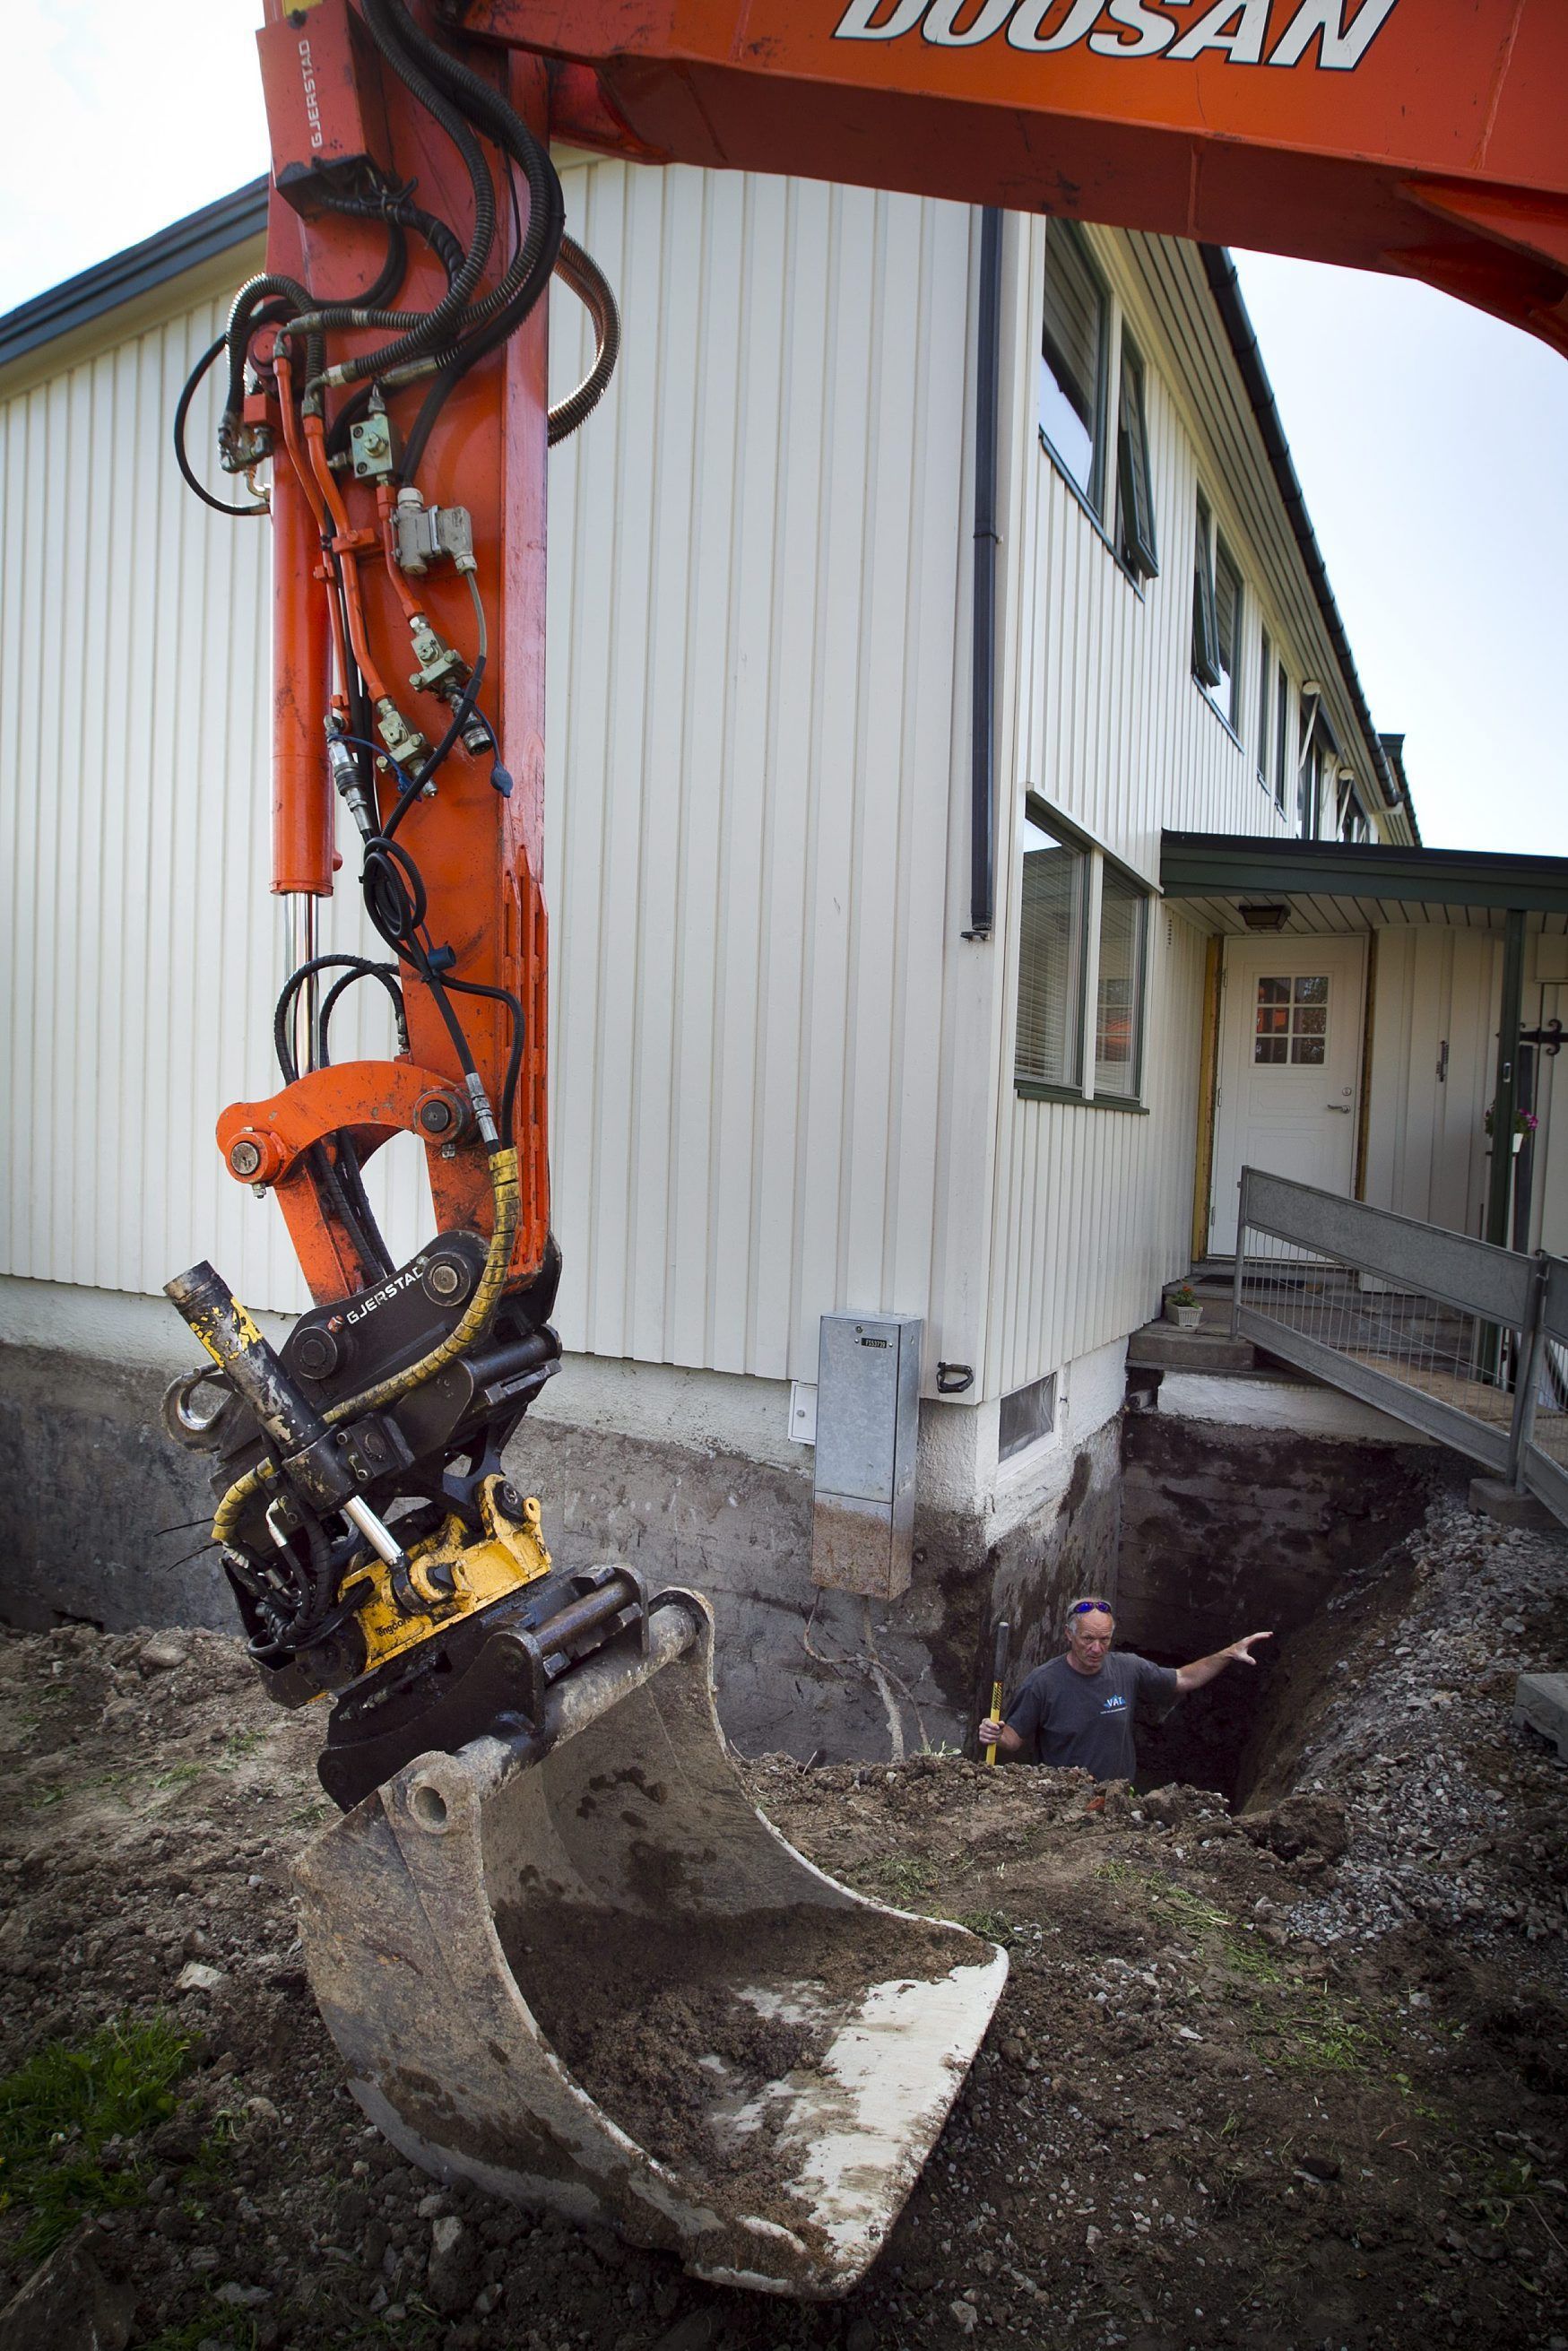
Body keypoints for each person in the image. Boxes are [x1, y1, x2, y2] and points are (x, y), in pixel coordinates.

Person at [976, 1596, 1272, 1784]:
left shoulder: (1127, 1668)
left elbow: (1183, 1678)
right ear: (1069, 1635)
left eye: (1105, 1639)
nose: (1096, 1648)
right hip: (1062, 1805)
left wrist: (1227, 1654)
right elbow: (1013, 1739)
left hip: (1118, 1801)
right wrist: (995, 1734)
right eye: (1088, 1638)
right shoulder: (1043, 1683)